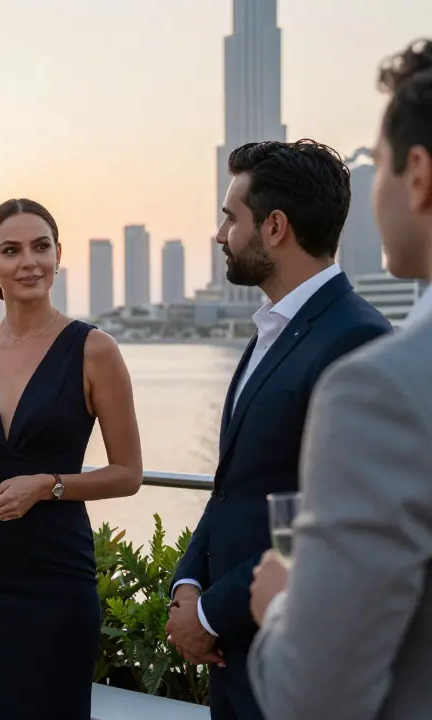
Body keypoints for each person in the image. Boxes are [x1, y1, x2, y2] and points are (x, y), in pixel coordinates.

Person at [247, 29, 432, 720]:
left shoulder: (387, 390)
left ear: (422, 176)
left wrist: (283, 603)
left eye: (376, 161)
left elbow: (312, 698)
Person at [164, 139, 393, 719]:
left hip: (296, 667)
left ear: (275, 228)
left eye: (229, 217)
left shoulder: (355, 339)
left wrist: (213, 614)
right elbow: (233, 485)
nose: (219, 234)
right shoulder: (268, 333)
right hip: (238, 661)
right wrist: (188, 586)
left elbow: (331, 518)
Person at [0, 198, 144, 719]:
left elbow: (128, 474)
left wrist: (47, 485)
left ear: (57, 256)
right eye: (11, 250)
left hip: (54, 574)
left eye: (40, 247)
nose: (28, 262)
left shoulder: (95, 350)